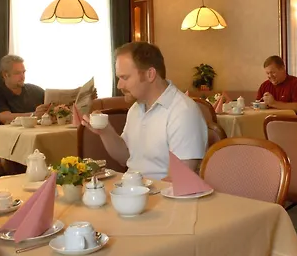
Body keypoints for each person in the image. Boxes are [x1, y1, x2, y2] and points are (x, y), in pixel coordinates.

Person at [82, 42, 208, 180]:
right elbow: (125, 158)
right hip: (135, 189)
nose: (119, 85)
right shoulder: (136, 108)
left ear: (150, 74)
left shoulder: (183, 112)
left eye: (125, 77)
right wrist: (105, 131)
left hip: (163, 192)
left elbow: (180, 179)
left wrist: (135, 190)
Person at [0, 55, 49, 124]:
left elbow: (51, 104)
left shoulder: (35, 90)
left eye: (23, 72)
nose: (22, 77)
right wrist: (34, 115)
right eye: (17, 73)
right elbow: (4, 117)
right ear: (5, 75)